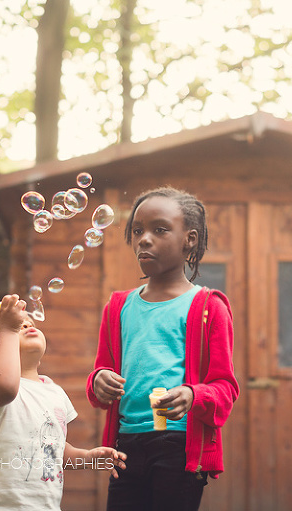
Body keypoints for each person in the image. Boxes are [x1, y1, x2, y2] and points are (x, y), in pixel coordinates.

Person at [86, 187, 239, 511]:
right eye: (138, 230)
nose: (144, 239)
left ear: (190, 240)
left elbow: (225, 388)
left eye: (159, 229)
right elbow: (100, 376)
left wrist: (193, 396)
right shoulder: (118, 307)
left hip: (179, 446)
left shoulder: (208, 307)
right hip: (125, 445)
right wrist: (99, 380)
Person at [0, 294, 126, 510]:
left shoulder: (54, 392)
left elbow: (53, 449)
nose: (23, 323)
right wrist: (10, 329)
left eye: (27, 322)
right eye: (6, 326)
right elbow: (6, 388)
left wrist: (87, 458)